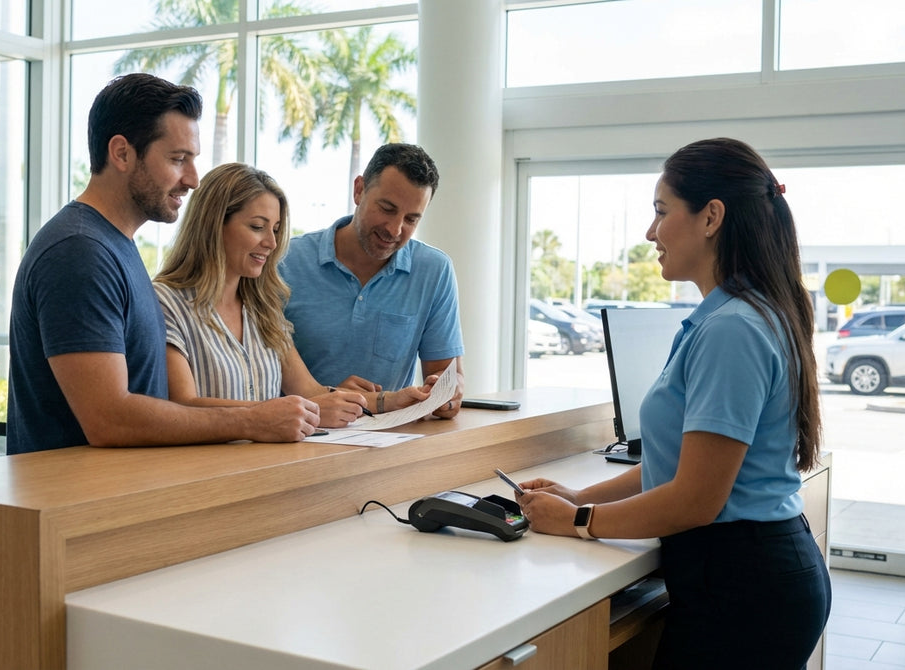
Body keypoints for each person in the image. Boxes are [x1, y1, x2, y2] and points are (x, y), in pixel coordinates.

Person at [514, 138, 830, 669]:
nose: (650, 232)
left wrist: (578, 521)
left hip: (745, 588)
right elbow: (677, 467)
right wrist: (577, 495)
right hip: (743, 576)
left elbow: (694, 499)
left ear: (711, 217)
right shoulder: (729, 314)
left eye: (661, 212)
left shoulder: (732, 329)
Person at [6, 73, 319, 454]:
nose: (193, 180)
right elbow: (109, 418)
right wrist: (253, 420)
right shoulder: (79, 252)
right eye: (177, 159)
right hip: (74, 504)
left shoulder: (114, 246)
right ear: (121, 153)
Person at [153, 162, 436, 426]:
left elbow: (311, 392)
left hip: (274, 470)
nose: (272, 243)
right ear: (213, 225)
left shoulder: (262, 308)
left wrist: (394, 400)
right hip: (207, 474)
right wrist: (279, 413)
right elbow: (181, 406)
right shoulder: (166, 303)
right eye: (257, 227)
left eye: (275, 229)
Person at [278, 143, 464, 419]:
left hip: (385, 441)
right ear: (359, 190)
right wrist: (332, 397)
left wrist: (444, 394)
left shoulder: (434, 270)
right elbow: (266, 371)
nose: (395, 229)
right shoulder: (285, 261)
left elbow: (447, 374)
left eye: (411, 219)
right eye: (387, 209)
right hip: (298, 437)